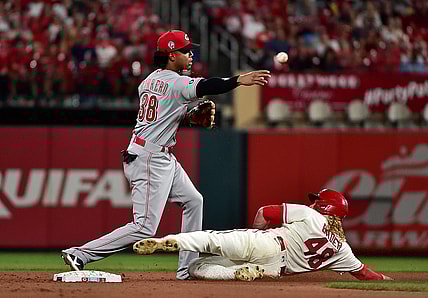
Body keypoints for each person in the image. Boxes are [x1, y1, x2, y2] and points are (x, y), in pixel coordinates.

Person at [60, 29, 271, 280]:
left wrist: (187, 116)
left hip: (156, 153)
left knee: (194, 201)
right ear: (171, 56)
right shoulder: (177, 82)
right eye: (185, 51)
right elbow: (207, 85)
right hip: (150, 157)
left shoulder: (147, 82)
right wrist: (238, 80)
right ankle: (80, 254)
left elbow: (164, 113)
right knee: (144, 227)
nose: (191, 55)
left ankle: (187, 269)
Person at [133, 189, 393, 281]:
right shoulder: (342, 249)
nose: (313, 203)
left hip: (267, 242)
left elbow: (264, 212)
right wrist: (383, 278)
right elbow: (363, 273)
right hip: (274, 269)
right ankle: (236, 274)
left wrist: (257, 233)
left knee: (214, 240)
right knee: (196, 267)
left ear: (324, 207)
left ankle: (169, 241)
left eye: (317, 200)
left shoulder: (310, 214)